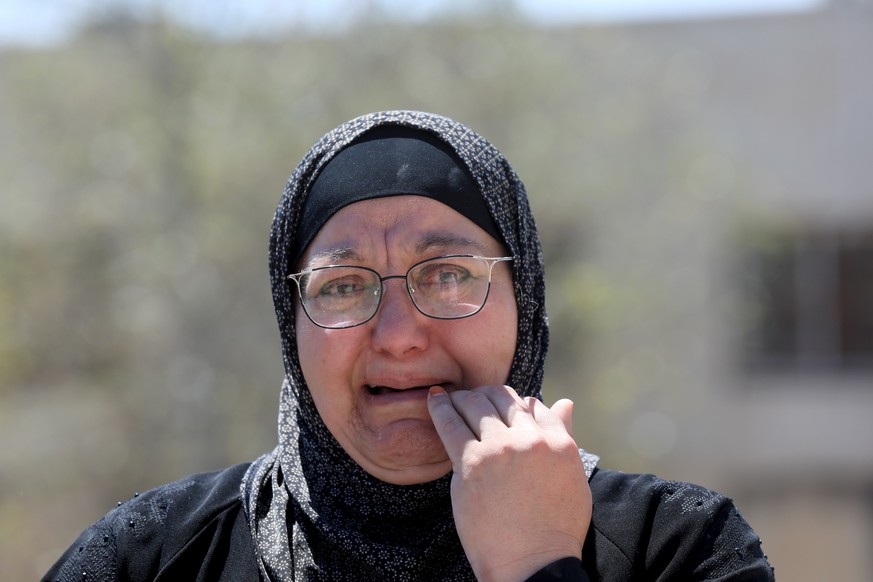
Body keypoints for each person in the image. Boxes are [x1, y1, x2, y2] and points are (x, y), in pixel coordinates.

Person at [44, 110, 774, 581]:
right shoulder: (152, 558)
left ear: (525, 302)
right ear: (287, 322)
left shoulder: (676, 548)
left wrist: (535, 565)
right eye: (341, 286)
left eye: (448, 274)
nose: (396, 335)